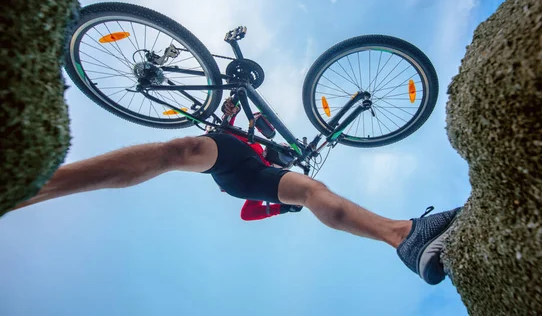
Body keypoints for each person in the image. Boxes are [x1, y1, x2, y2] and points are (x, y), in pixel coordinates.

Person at [11, 97, 461, 285]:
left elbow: (265, 148)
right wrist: (231, 112)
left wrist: (280, 205)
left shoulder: (271, 150)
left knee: (311, 191)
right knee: (181, 149)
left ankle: (404, 237)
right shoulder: (234, 133)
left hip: (257, 171)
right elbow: (247, 209)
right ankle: (31, 184)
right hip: (231, 160)